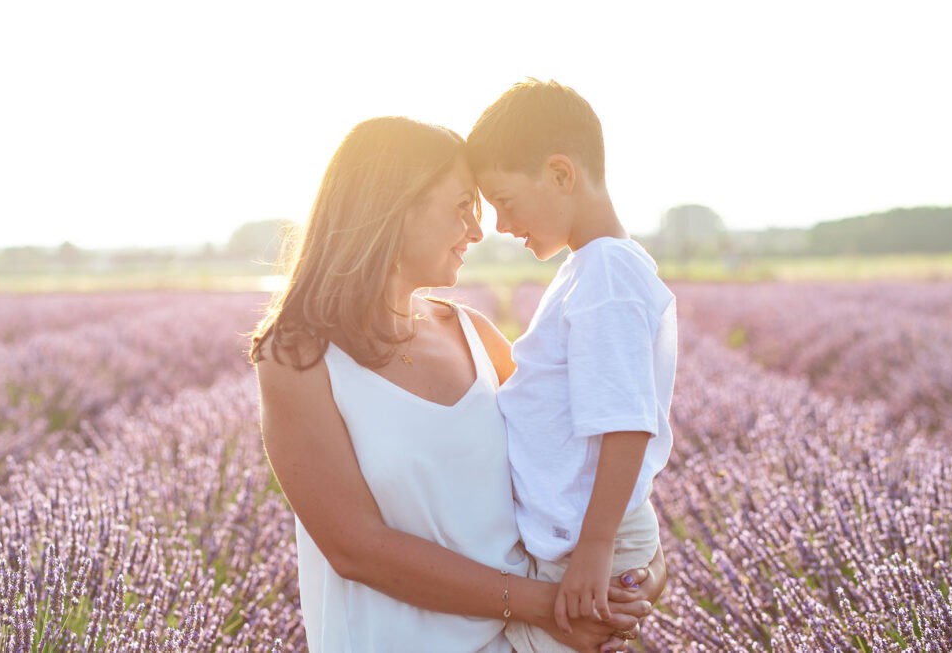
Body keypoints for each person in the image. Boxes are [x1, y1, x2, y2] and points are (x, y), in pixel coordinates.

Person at [250, 116, 666, 653]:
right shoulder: (296, 359)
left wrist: (636, 575)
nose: (476, 229)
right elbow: (356, 546)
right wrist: (552, 605)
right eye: (462, 207)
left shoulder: (476, 336)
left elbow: (571, 463)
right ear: (392, 208)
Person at [466, 80, 677, 653]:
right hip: (575, 542)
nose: (500, 226)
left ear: (561, 174)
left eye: (504, 201)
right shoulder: (592, 267)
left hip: (582, 549)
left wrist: (595, 548)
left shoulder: (606, 273)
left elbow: (625, 420)